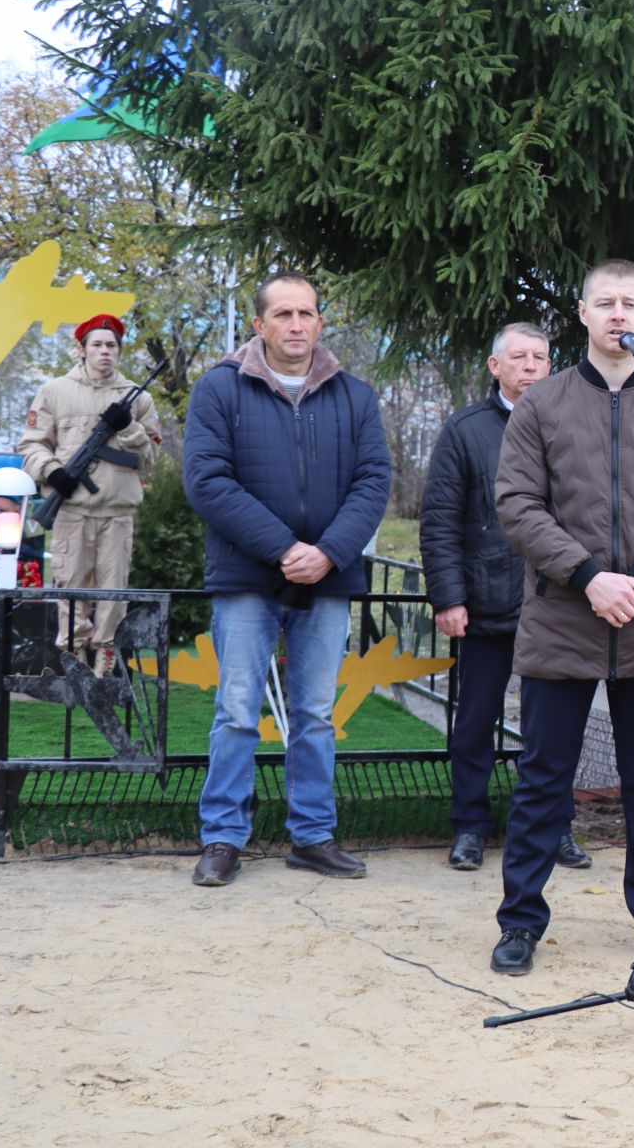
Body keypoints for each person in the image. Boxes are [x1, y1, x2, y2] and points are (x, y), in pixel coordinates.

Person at [488, 258, 634, 977]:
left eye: (631, 304)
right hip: (565, 619)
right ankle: (521, 921)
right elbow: (517, 505)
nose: (618, 315)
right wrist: (589, 577)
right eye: (604, 303)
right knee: (543, 779)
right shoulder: (542, 406)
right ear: (582, 315)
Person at [182, 273, 392, 887]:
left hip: (327, 576)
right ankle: (222, 837)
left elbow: (373, 482)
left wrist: (327, 552)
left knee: (317, 714)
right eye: (283, 314)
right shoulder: (220, 389)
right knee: (238, 710)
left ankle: (312, 835)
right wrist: (283, 549)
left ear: (320, 322)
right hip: (247, 575)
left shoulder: (354, 395)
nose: (296, 324)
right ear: (259, 324)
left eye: (307, 313)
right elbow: (208, 481)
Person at [420, 322, 592, 872]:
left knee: (553, 729)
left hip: (559, 604)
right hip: (488, 604)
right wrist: (449, 597)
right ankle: (470, 826)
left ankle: (553, 826)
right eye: (518, 357)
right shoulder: (465, 431)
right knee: (475, 722)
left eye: (540, 357)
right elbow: (441, 520)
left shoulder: (574, 426)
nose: (531, 366)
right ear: (495, 366)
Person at [16, 314, 160, 664]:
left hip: (117, 511)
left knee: (114, 590)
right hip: (72, 509)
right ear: (81, 350)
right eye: (96, 344)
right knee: (69, 584)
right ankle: (73, 655)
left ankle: (106, 656)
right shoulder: (54, 392)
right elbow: (30, 446)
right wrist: (53, 472)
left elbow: (151, 458)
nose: (105, 351)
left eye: (111, 345)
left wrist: (128, 429)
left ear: (120, 352)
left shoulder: (137, 399)